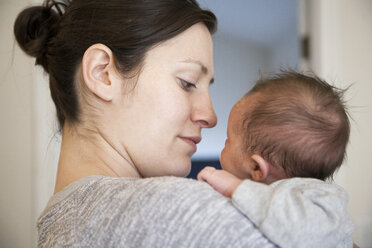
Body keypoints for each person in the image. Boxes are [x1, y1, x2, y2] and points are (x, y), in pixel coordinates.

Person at [14, 0, 278, 247]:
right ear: (102, 73)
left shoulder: (57, 226)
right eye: (187, 83)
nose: (210, 116)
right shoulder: (168, 210)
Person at [198, 71, 354, 247]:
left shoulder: (317, 196)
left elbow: (305, 230)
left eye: (228, 139)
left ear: (257, 168)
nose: (224, 143)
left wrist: (236, 188)